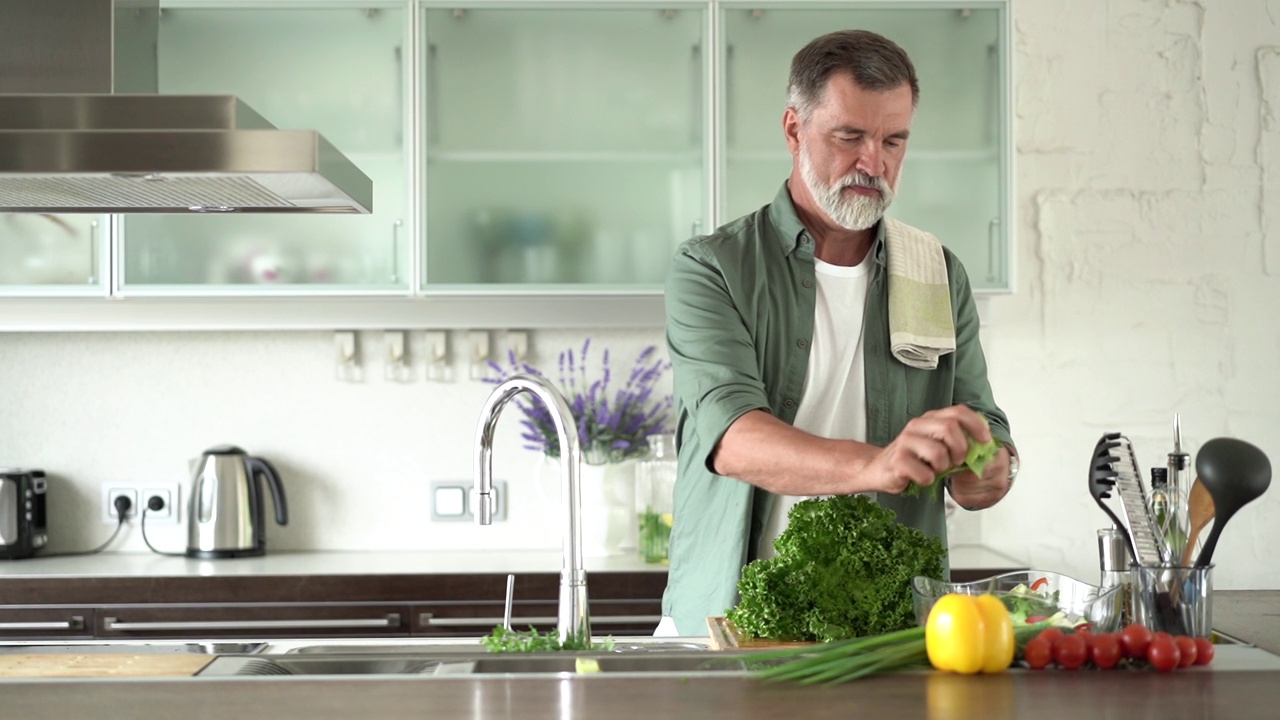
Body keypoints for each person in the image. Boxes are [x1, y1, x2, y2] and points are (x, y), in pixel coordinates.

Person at [657, 29, 1017, 637]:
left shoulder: (935, 272)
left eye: (893, 140)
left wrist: (990, 469)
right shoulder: (712, 267)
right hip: (730, 621)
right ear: (794, 130)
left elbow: (983, 431)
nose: (872, 162)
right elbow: (735, 441)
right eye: (849, 136)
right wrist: (879, 465)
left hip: (885, 630)